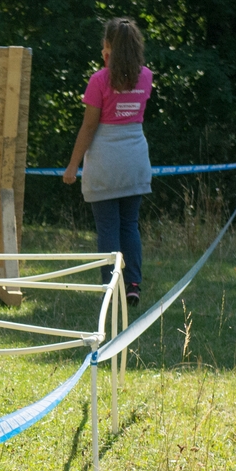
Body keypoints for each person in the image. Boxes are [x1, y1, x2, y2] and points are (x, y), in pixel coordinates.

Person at [63, 17, 153, 305]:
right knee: (130, 225)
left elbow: (90, 126)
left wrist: (73, 165)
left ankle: (110, 286)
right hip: (135, 158)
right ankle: (133, 284)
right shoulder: (146, 76)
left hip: (105, 160)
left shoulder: (99, 80)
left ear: (107, 46)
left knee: (108, 228)